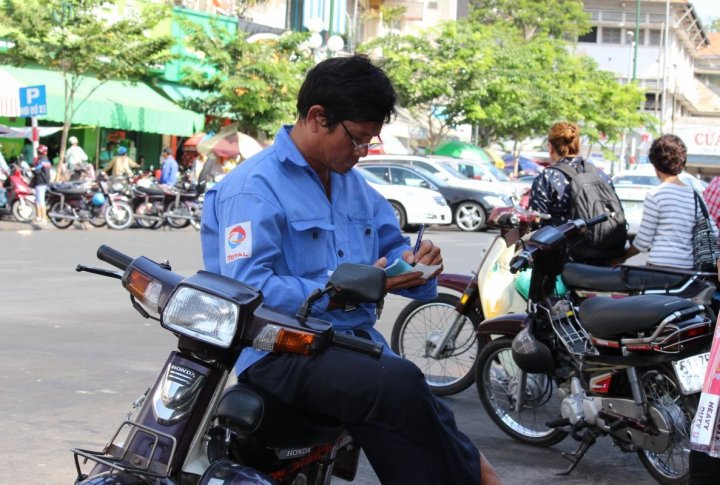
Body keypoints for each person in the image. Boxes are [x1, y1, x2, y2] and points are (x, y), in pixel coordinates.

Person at [201, 55, 501, 485]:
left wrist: (418, 267)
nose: (361, 154)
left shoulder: (353, 185)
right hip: (281, 348)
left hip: (353, 344)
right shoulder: (253, 187)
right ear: (318, 117)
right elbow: (247, 288)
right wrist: (350, 289)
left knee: (429, 407)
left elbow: (393, 252)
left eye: (369, 144)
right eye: (357, 140)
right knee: (395, 385)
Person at [529, 121, 626, 265]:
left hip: (562, 260)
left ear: (550, 147)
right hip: (602, 258)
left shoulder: (547, 177)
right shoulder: (599, 174)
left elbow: (536, 222)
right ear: (578, 144)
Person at [616, 134, 715, 269]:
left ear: (655, 163)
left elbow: (643, 242)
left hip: (659, 269)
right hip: (687, 272)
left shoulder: (656, 195)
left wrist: (621, 258)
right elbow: (714, 232)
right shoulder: (695, 196)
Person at [32, 145, 52, 223]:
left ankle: (43, 217)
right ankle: (39, 217)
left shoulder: (40, 161)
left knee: (40, 201)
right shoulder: (47, 161)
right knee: (39, 200)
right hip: (45, 183)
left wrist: (32, 169)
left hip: (40, 183)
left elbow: (37, 171)